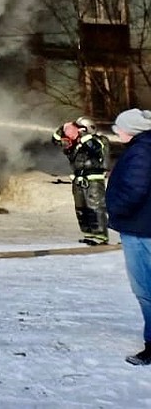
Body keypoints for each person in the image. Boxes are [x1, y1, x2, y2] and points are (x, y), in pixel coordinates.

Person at [105, 108, 151, 366]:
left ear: (132, 130)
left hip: (141, 230)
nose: (116, 131)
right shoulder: (144, 148)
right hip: (144, 226)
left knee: (146, 290)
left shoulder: (142, 151)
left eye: (119, 128)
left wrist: (114, 206)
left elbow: (135, 188)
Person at [52, 116, 109, 245]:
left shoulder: (99, 141)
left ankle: (100, 236)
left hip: (93, 179)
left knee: (95, 207)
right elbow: (56, 141)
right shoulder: (76, 144)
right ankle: (89, 234)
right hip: (78, 178)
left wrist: (83, 135)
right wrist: (62, 129)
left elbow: (95, 149)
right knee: (81, 208)